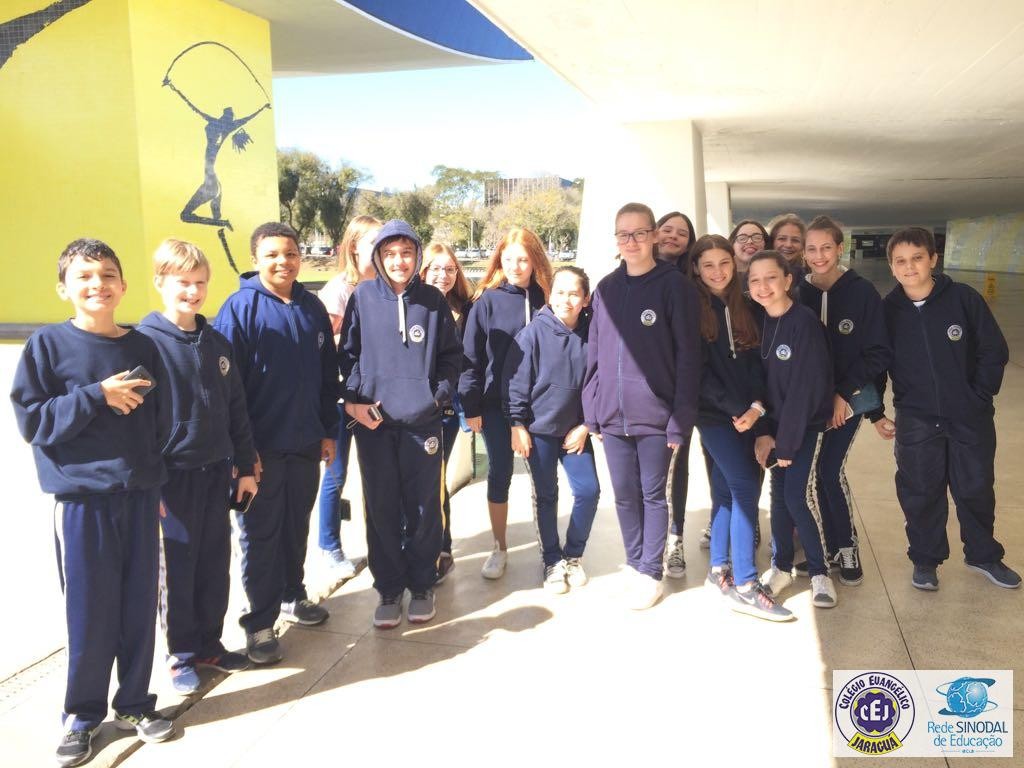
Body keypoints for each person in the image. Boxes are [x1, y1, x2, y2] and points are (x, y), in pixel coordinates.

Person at [11, 239, 175, 767]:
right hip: (83, 502)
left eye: (107, 274)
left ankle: (134, 703)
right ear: (63, 288)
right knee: (89, 611)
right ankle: (82, 715)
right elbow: (34, 422)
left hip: (140, 495)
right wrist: (94, 395)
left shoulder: (142, 347)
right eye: (83, 276)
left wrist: (154, 480)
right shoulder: (47, 346)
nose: (97, 284)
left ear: (123, 286)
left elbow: (160, 420)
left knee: (138, 606)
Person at [213, 222, 339, 664]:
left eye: (290, 253)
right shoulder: (239, 309)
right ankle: (260, 622)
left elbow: (328, 376)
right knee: (260, 535)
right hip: (260, 450)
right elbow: (228, 391)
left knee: (295, 526)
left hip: (305, 443)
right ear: (255, 260)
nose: (282, 262)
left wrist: (328, 431)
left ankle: (292, 594)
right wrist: (243, 454)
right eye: (272, 255)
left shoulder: (311, 307)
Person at [136, 239, 258, 694]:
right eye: (183, 282)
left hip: (217, 472)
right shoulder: (144, 344)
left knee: (213, 563)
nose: (192, 291)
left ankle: (209, 644)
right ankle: (181, 653)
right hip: (172, 479)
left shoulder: (216, 342)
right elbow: (136, 424)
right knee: (178, 567)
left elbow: (237, 410)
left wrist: (245, 465)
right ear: (160, 282)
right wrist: (149, 483)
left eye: (200, 283)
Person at [873, 227, 1019, 590]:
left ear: (933, 260)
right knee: (920, 491)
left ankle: (983, 555)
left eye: (917, 258)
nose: (909, 267)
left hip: (969, 417)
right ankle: (925, 559)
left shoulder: (963, 299)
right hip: (917, 419)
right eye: (901, 261)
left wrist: (979, 396)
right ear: (891, 266)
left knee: (975, 488)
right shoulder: (887, 312)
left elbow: (993, 351)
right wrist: (874, 411)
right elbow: (875, 362)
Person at [339, 220, 463, 628]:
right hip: (374, 425)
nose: (398, 261)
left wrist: (435, 397)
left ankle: (422, 584)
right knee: (381, 508)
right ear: (378, 256)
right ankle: (389, 588)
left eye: (406, 253)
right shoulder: (362, 297)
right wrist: (356, 401)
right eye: (389, 254)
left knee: (424, 508)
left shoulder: (433, 301)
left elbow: (451, 357)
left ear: (417, 255)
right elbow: (349, 356)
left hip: (422, 424)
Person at [582, 202, 701, 610]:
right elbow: (594, 353)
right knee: (624, 495)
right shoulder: (606, 289)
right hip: (612, 416)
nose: (631, 241)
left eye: (638, 233)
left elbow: (689, 358)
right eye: (623, 234)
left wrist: (680, 418)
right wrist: (592, 409)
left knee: (654, 496)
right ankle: (634, 565)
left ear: (652, 236)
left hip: (657, 417)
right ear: (616, 239)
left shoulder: (675, 287)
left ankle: (652, 571)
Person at [688, 236, 792, 621]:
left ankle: (719, 570)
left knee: (726, 491)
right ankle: (746, 585)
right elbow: (697, 374)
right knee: (745, 486)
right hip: (714, 415)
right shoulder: (691, 310)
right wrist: (738, 410)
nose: (718, 272)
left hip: (750, 412)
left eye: (724, 263)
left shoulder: (746, 305)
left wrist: (757, 409)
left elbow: (758, 366)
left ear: (734, 264)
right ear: (696, 268)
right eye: (708, 265)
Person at [798, 216, 891, 587]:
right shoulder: (798, 291)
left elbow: (878, 351)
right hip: (808, 403)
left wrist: (843, 394)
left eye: (826, 247)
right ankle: (825, 549)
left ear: (840, 248)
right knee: (810, 477)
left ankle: (847, 546)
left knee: (829, 471)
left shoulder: (862, 292)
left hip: (847, 401)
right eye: (811, 249)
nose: (819, 255)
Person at [747, 250, 839, 609]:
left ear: (787, 280)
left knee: (798, 497)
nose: (763, 286)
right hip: (774, 429)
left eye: (771, 277)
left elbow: (806, 389)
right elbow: (757, 384)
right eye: (755, 280)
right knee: (777, 497)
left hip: (804, 428)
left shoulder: (804, 323)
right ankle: (781, 566)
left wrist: (785, 443)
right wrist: (765, 431)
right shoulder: (758, 322)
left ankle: (819, 571)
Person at [459, 227, 553, 579]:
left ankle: (550, 550)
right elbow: (470, 358)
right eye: (509, 259)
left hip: (540, 404)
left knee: (543, 477)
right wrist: (471, 407)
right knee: (500, 473)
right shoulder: (486, 301)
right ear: (500, 260)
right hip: (495, 405)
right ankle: (499, 547)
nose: (516, 266)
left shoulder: (549, 298)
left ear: (535, 261)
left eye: (523, 259)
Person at [506, 266, 600, 593]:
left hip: (575, 431)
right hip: (539, 431)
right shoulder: (532, 334)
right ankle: (551, 559)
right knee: (546, 495)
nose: (566, 299)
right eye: (560, 292)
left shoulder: (593, 336)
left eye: (574, 293)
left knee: (588, 491)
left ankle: (573, 555)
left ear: (585, 298)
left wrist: (587, 425)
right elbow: (516, 383)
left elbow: (598, 385)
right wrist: (517, 424)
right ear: (550, 295)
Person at [316, 215, 382, 579]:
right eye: (373, 241)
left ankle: (383, 543)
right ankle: (330, 546)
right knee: (335, 474)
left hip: (375, 397)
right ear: (354, 246)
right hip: (342, 400)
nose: (381, 247)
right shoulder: (339, 289)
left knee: (376, 474)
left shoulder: (386, 285)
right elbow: (324, 345)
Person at [420, 242, 473, 583]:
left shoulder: (464, 310)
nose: (443, 274)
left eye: (450, 269)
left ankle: (442, 549)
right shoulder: (412, 305)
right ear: (423, 271)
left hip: (448, 409)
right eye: (436, 268)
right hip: (413, 407)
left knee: (436, 478)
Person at [655, 210, 700, 576]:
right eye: (667, 229)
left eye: (681, 233)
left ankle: (675, 540)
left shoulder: (692, 284)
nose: (673, 236)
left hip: (681, 392)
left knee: (676, 468)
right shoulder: (630, 276)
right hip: (644, 394)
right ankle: (649, 543)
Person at [768, 213, 806, 279]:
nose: (788, 245)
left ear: (803, 245)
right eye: (782, 239)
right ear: (772, 241)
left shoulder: (810, 278)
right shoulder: (756, 272)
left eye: (795, 240)